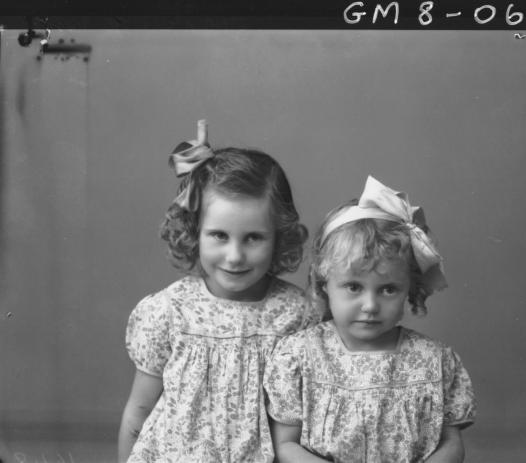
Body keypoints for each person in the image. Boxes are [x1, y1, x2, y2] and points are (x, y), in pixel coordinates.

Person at [118, 120, 318, 462]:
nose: (235, 256)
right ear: (195, 232)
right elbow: (138, 412)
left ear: (278, 237)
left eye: (253, 237)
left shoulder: (297, 315)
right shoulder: (169, 311)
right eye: (219, 236)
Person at [264, 176, 476, 462]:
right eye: (353, 287)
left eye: (388, 289)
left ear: (409, 288)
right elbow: (285, 445)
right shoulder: (298, 357)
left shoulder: (434, 360)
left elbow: (451, 444)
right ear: (324, 282)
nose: (370, 305)